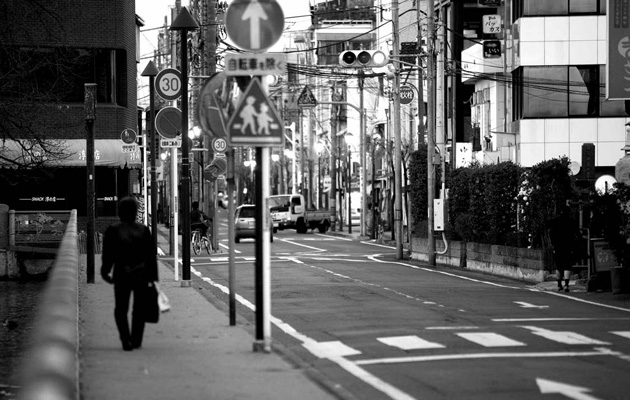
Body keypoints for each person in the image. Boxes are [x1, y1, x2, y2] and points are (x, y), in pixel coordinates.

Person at [101, 196, 159, 351]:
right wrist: (153, 278)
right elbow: (150, 256)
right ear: (135, 212)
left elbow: (108, 254)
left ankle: (125, 339)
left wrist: (105, 271)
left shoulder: (113, 230)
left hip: (121, 273)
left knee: (121, 308)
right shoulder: (143, 230)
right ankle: (136, 339)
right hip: (141, 274)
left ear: (120, 212)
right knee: (139, 308)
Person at [548, 205, 579, 292]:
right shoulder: (571, 221)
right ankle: (566, 285)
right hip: (568, 246)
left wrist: (553, 243)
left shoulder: (556, 221)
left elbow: (550, 232)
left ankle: (559, 285)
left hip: (558, 246)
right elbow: (577, 233)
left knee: (559, 266)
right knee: (567, 266)